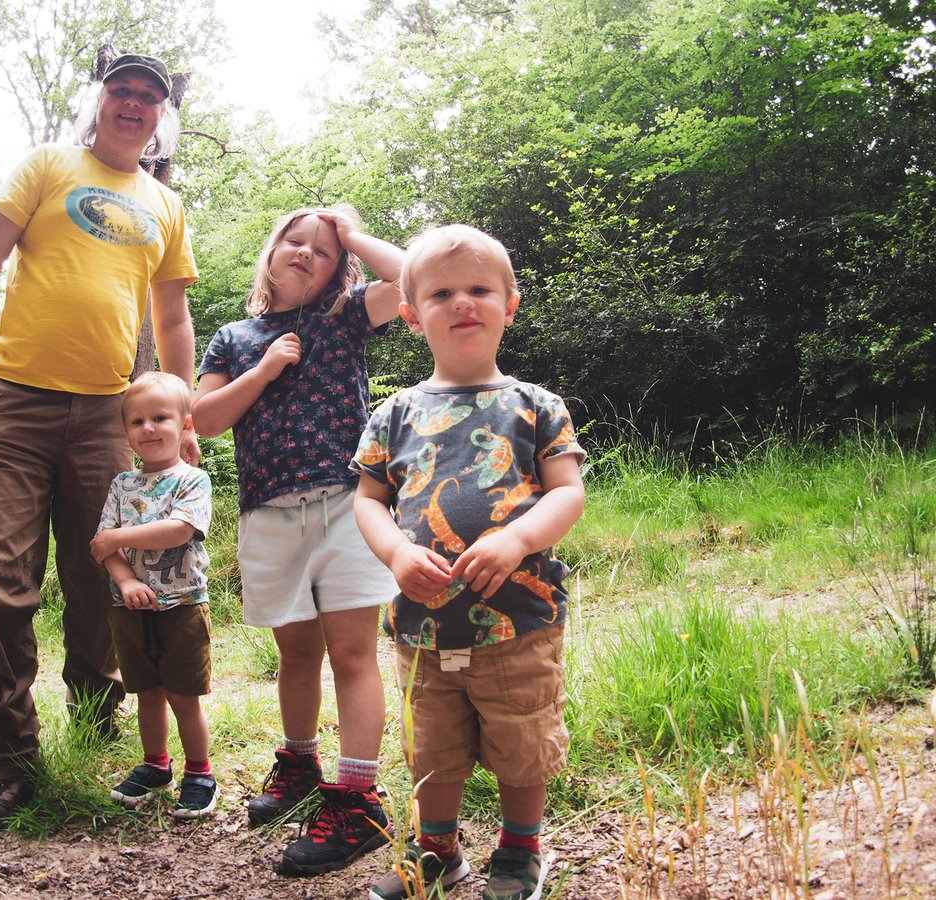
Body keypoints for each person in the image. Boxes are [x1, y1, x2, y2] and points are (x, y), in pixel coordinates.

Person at [0, 51, 199, 838]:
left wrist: (184, 413)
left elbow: (171, 319)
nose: (134, 104)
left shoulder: (164, 206)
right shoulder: (47, 165)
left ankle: (100, 720)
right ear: (101, 104)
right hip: (13, 402)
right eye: (122, 92)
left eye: (149, 97)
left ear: (159, 117)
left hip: (112, 412)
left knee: (101, 574)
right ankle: (9, 761)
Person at [351, 225, 586, 900]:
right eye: (442, 293)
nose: (463, 303)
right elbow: (368, 500)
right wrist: (395, 551)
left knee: (522, 744)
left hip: (519, 623)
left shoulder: (536, 406)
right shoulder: (393, 414)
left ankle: (519, 854)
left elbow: (568, 492)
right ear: (410, 311)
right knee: (434, 752)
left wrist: (516, 539)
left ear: (510, 305)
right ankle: (438, 854)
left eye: (480, 289)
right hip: (423, 628)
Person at [192, 206, 403, 875]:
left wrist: (355, 232)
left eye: (324, 250)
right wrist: (265, 370)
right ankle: (299, 764)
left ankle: (359, 794)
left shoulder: (344, 318)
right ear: (272, 248)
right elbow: (206, 418)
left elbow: (417, 277)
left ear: (341, 269)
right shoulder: (232, 337)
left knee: (351, 651)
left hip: (348, 502)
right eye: (296, 241)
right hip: (269, 510)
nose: (308, 254)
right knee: (295, 652)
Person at [89, 371, 217, 819]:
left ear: (185, 425)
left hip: (181, 605)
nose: (148, 429)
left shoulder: (192, 480)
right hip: (128, 608)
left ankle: (200, 773)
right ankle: (155, 765)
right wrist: (125, 581)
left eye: (160, 418)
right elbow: (104, 545)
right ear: (126, 432)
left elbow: (180, 530)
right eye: (136, 421)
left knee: (184, 695)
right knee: (146, 692)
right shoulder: (122, 484)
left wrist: (118, 537)